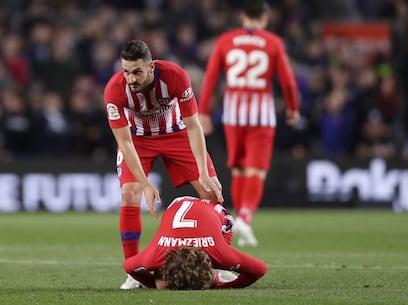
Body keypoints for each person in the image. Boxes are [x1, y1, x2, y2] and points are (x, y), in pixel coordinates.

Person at [103, 40, 224, 289]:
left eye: (137, 72)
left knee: (212, 193)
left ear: (151, 67)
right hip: (138, 140)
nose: (131, 79)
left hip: (176, 133)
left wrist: (203, 171)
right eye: (126, 72)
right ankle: (133, 271)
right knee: (130, 193)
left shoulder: (176, 76)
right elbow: (125, 143)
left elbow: (193, 125)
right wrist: (146, 184)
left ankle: (217, 265)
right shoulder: (114, 90)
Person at [198, 0, 300, 247]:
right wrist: (293, 106)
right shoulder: (273, 43)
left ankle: (239, 219)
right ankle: (244, 217)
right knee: (257, 170)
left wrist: (204, 111)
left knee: (239, 169)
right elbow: (286, 80)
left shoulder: (225, 41)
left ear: (243, 16)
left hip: (233, 114)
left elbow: (211, 76)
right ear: (264, 18)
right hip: (261, 115)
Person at [123, 196, 267, 289]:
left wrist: (218, 285)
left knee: (214, 268)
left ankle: (220, 272)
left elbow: (129, 266)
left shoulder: (218, 252)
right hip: (179, 204)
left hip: (217, 213)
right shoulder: (157, 255)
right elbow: (260, 269)